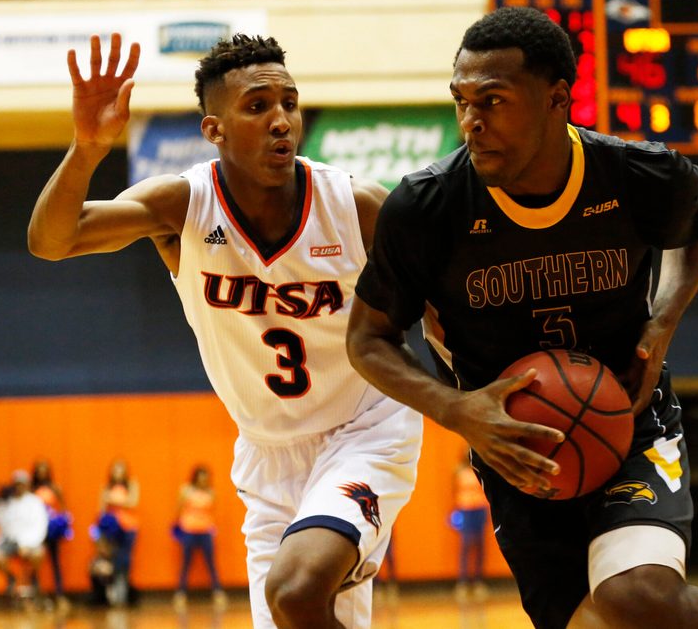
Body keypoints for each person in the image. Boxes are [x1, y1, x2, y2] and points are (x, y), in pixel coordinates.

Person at [346, 6, 698, 629]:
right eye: (461, 101)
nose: (471, 122)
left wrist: (664, 318)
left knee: (635, 595)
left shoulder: (636, 174)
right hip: (512, 447)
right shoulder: (425, 208)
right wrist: (457, 411)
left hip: (628, 422)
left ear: (557, 98)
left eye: (493, 101)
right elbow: (367, 341)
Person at [27, 32, 421, 629]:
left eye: (288, 102)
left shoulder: (355, 204)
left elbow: (441, 301)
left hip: (364, 429)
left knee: (295, 593)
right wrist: (86, 150)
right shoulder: (184, 205)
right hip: (267, 453)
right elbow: (51, 241)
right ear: (214, 130)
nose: (281, 119)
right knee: (299, 612)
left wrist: (470, 406)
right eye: (257, 107)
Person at [173, 465, 227, 611]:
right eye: (200, 477)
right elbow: (178, 508)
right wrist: (176, 527)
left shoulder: (210, 492)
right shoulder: (186, 490)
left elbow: (211, 510)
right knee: (186, 563)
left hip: (205, 531)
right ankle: (181, 593)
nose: (203, 480)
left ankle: (218, 592)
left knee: (211, 562)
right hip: (189, 530)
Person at [0, 471, 48, 601]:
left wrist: (26, 544)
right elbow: (0, 524)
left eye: (22, 484)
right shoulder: (7, 501)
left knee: (38, 554)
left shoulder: (35, 502)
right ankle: (11, 578)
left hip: (30, 542)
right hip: (9, 541)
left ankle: (33, 578)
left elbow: (40, 526)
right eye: (17, 484)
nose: (19, 487)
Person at [99, 459, 140, 605]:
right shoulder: (107, 487)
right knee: (114, 559)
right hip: (112, 527)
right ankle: (114, 591)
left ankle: (125, 590)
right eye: (115, 470)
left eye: (121, 470)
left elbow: (133, 502)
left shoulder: (132, 485)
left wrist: (113, 500)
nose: (118, 473)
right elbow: (102, 508)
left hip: (129, 527)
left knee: (126, 559)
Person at [31, 460, 72, 608]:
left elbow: (63, 507)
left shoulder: (54, 488)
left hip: (51, 529)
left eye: (45, 470)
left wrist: (62, 523)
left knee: (55, 563)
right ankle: (36, 595)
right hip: (36, 530)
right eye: (39, 470)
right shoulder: (31, 490)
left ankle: (60, 595)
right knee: (35, 562)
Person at [452, 455, 488, 602]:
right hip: (465, 509)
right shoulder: (458, 471)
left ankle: (478, 581)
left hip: (480, 508)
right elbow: (454, 490)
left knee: (480, 545)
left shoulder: (480, 469)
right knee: (465, 545)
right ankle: (463, 582)